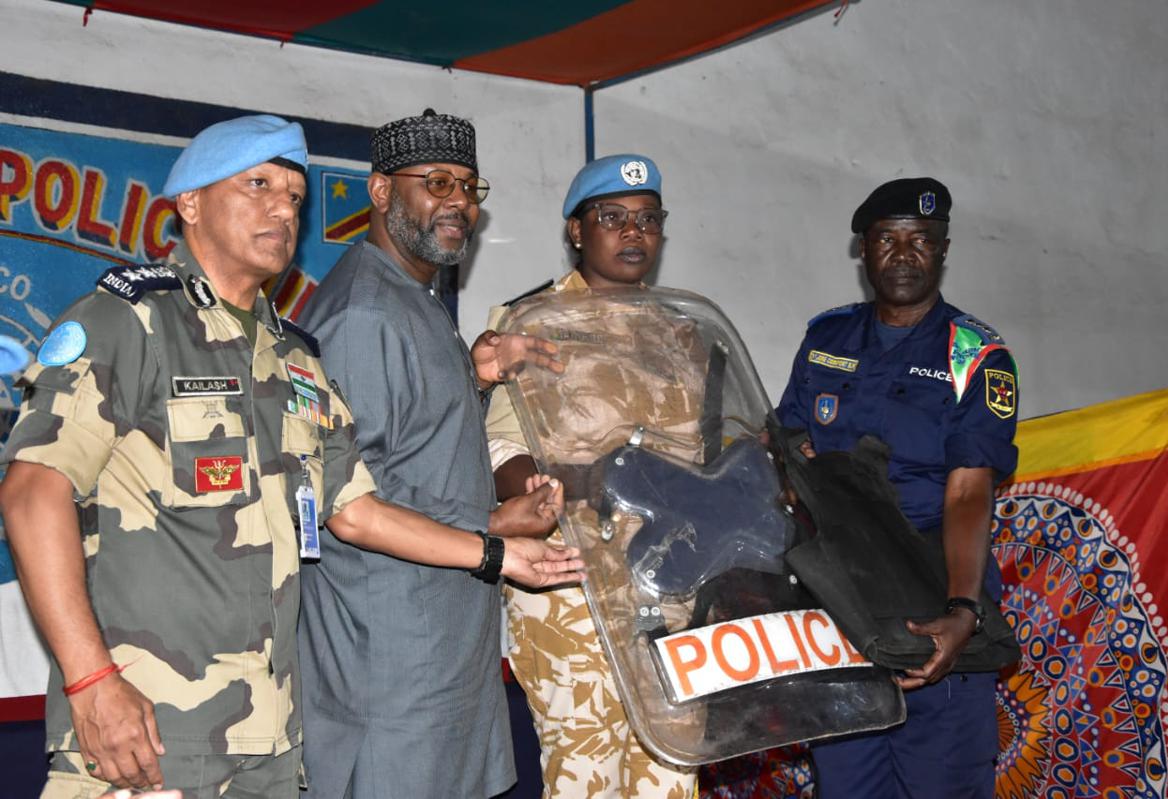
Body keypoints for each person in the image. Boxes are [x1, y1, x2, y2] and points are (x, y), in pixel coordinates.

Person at [0, 114, 580, 799]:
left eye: (296, 196)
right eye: (258, 184)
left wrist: (497, 552)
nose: (282, 207)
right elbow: (32, 492)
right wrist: (91, 680)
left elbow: (355, 510)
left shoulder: (296, 359)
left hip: (272, 741)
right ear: (189, 204)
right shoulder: (127, 324)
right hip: (150, 730)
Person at [295, 109, 564, 799]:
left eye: (470, 187)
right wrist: (496, 535)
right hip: (389, 677)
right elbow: (351, 506)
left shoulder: (414, 298)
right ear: (380, 193)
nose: (459, 203)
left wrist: (475, 381)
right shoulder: (364, 313)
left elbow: (411, 454)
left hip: (444, 665)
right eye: (437, 181)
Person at [775, 177, 1019, 798]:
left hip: (931, 593)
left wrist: (964, 610)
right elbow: (787, 448)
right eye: (888, 238)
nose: (904, 254)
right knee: (847, 782)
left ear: (942, 251)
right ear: (864, 247)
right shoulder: (826, 338)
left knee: (942, 781)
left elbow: (968, 492)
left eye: (922, 240)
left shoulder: (977, 355)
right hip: (844, 602)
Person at [486, 154, 701, 798]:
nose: (633, 233)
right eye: (613, 218)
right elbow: (501, 448)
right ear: (576, 231)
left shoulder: (683, 335)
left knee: (672, 778)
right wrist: (546, 493)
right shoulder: (530, 323)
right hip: (572, 586)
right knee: (587, 780)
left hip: (670, 592)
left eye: (647, 220)